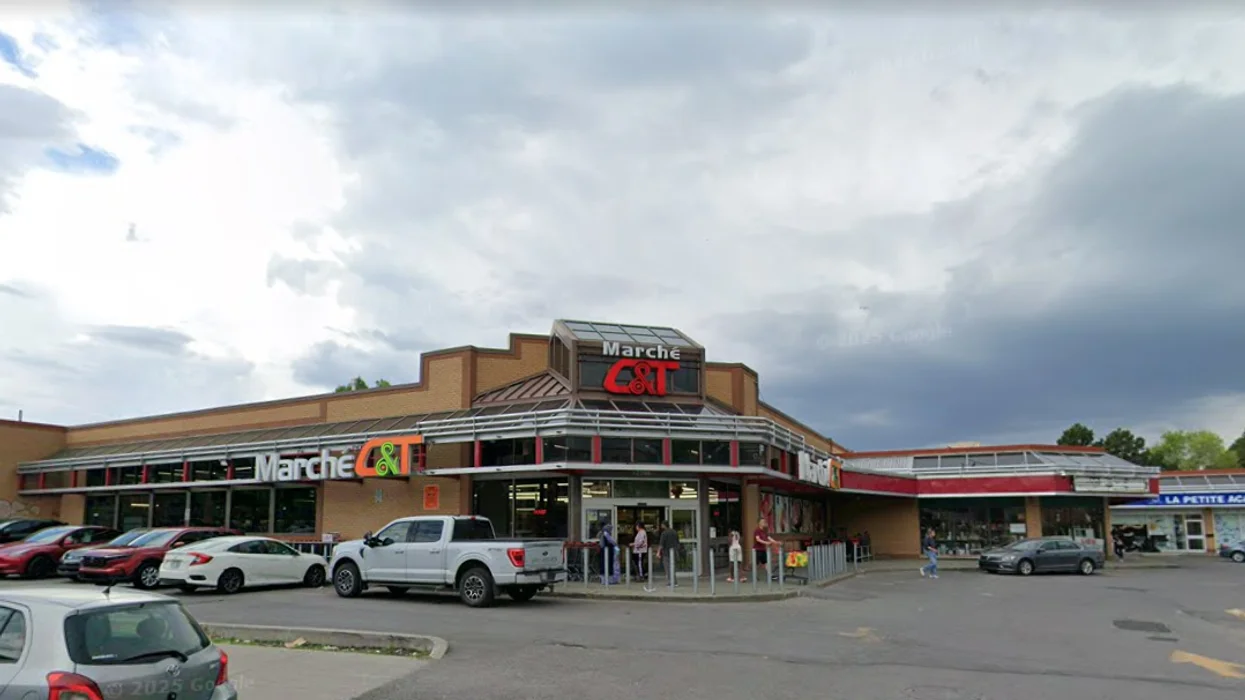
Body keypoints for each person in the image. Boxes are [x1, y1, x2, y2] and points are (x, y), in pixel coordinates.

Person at [657, 520, 680, 587]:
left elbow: (661, 544)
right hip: (674, 552)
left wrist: (658, 552)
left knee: (668, 568)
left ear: (664, 525)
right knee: (673, 568)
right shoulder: (674, 532)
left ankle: (671, 582)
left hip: (666, 553)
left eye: (661, 525)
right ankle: (675, 582)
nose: (661, 526)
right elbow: (678, 542)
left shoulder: (664, 533)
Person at [599, 519, 619, 584]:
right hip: (607, 552)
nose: (611, 530)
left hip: (603, 551)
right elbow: (611, 542)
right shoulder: (606, 534)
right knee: (608, 565)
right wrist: (615, 545)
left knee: (603, 565)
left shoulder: (602, 533)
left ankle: (604, 580)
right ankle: (608, 580)